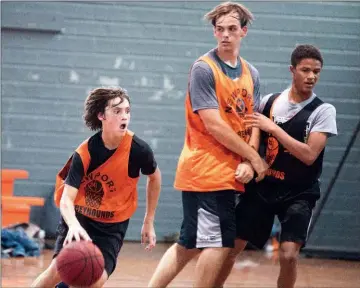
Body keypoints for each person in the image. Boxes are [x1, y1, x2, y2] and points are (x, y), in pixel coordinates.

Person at [148, 2, 268, 287]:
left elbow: (253, 122)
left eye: (232, 29)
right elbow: (214, 125)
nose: (225, 35)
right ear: (214, 33)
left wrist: (248, 162)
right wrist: (255, 159)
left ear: (244, 32)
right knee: (219, 243)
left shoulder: (252, 73)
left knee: (188, 243)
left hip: (229, 169)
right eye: (220, 29)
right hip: (206, 170)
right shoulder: (204, 69)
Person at [216, 44, 338, 288]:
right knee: (230, 249)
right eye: (305, 70)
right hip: (264, 187)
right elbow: (252, 141)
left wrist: (273, 128)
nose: (312, 76)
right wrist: (250, 162)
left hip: (299, 192)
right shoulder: (267, 102)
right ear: (292, 70)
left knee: (289, 255)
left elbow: (309, 155)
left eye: (317, 71)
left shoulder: (323, 111)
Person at [31, 87, 162, 288]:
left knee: (95, 279)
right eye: (117, 111)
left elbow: (155, 177)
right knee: (56, 270)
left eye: (127, 111)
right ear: (101, 115)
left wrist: (149, 220)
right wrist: (73, 225)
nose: (124, 116)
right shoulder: (85, 153)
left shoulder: (138, 150)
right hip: (81, 218)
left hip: (112, 226)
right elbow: (67, 199)